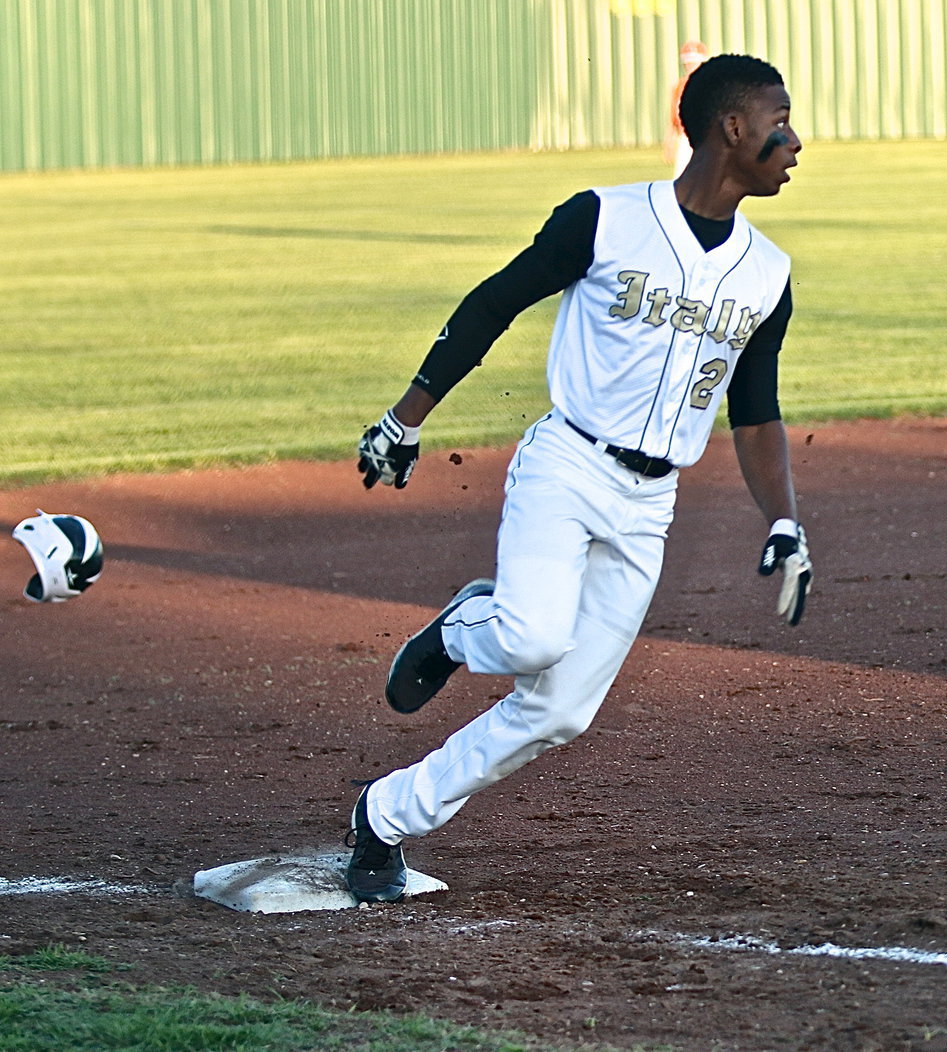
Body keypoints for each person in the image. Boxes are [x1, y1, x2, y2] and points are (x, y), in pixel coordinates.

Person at [347, 53, 812, 903]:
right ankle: (458, 630)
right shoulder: (605, 218)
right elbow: (495, 302)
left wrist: (784, 520)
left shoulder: (767, 274)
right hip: (566, 466)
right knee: (530, 638)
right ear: (732, 127)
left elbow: (756, 411)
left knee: (560, 711)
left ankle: (385, 817)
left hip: (650, 504)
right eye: (780, 123)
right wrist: (405, 418)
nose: (796, 142)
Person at [665, 40, 710, 176]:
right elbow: (674, 116)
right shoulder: (680, 86)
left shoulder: (710, 85)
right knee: (682, 177)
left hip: (705, 138)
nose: (690, 65)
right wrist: (669, 140)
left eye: (693, 62)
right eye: (687, 62)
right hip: (685, 138)